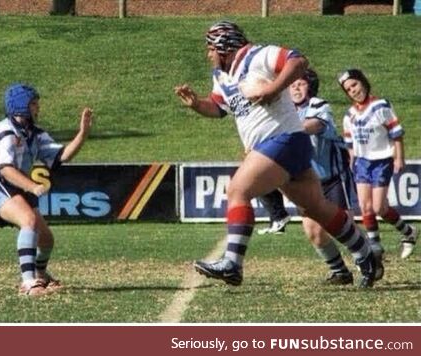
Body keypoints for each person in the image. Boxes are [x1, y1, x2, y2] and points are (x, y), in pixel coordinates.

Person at [175, 21, 377, 288]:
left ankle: (233, 263)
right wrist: (197, 104)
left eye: (211, 48)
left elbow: (298, 61)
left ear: (224, 46)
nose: (208, 54)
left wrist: (273, 88)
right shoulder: (223, 77)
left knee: (237, 190)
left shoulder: (257, 55)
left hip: (283, 140)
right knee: (316, 208)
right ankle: (365, 253)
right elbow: (219, 107)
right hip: (283, 145)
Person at [0, 83, 93, 296]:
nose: (38, 108)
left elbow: (61, 156)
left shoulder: (35, 134)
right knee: (28, 220)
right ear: (21, 106)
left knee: (46, 239)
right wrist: (32, 186)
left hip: (15, 184)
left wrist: (82, 134)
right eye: (34, 104)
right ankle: (28, 284)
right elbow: (5, 170)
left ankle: (41, 275)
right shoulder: (3, 131)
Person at [288, 68, 363, 284]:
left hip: (333, 177)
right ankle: (340, 272)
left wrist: (286, 130)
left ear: (309, 86)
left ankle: (368, 258)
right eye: (292, 84)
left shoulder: (318, 105)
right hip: (306, 182)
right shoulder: (285, 112)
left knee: (344, 225)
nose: (296, 88)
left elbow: (315, 125)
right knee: (314, 232)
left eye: (300, 84)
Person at [338, 68, 418, 260]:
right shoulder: (349, 115)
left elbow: (396, 134)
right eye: (348, 89)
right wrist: (352, 160)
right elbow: (350, 142)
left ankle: (408, 232)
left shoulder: (381, 106)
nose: (354, 91)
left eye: (355, 85)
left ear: (363, 82)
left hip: (382, 161)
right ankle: (375, 247)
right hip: (362, 162)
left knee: (379, 207)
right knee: (365, 207)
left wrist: (399, 158)